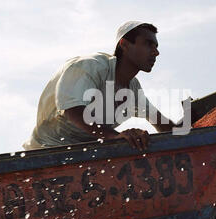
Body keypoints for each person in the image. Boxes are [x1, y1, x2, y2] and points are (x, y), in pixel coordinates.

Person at [23, 21, 178, 152]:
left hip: (84, 156)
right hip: (43, 152)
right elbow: (72, 110)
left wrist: (193, 123)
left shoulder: (132, 88)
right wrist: (115, 136)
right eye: (148, 44)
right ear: (124, 44)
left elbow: (162, 123)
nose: (156, 52)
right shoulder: (90, 66)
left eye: (156, 46)